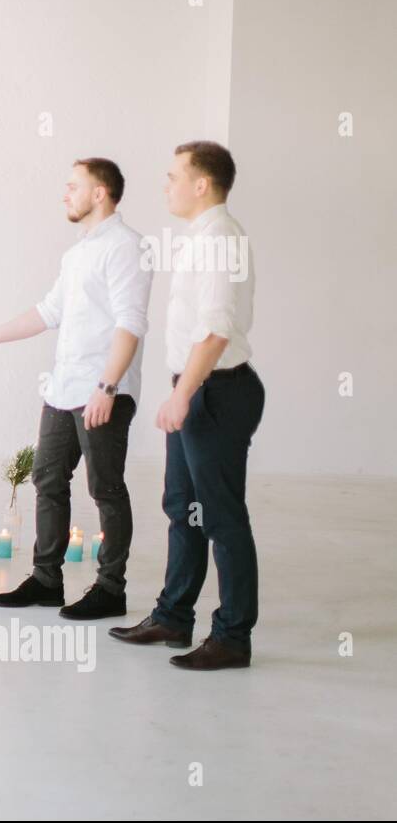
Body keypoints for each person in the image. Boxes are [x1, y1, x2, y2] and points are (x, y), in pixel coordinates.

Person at [0, 158, 151, 618]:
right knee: (47, 479)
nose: (65, 194)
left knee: (105, 488)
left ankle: (111, 590)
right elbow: (47, 312)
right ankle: (46, 579)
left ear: (99, 193)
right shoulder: (78, 252)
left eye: (72, 186)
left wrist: (108, 385)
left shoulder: (127, 247)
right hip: (64, 387)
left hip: (104, 391)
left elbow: (131, 323)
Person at [110, 141, 262, 670]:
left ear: (202, 184)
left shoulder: (219, 237)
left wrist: (182, 394)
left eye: (174, 175)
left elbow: (217, 330)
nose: (166, 184)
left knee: (221, 517)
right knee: (185, 509)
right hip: (200, 389)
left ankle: (233, 638)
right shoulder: (202, 235)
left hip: (216, 391)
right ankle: (174, 616)